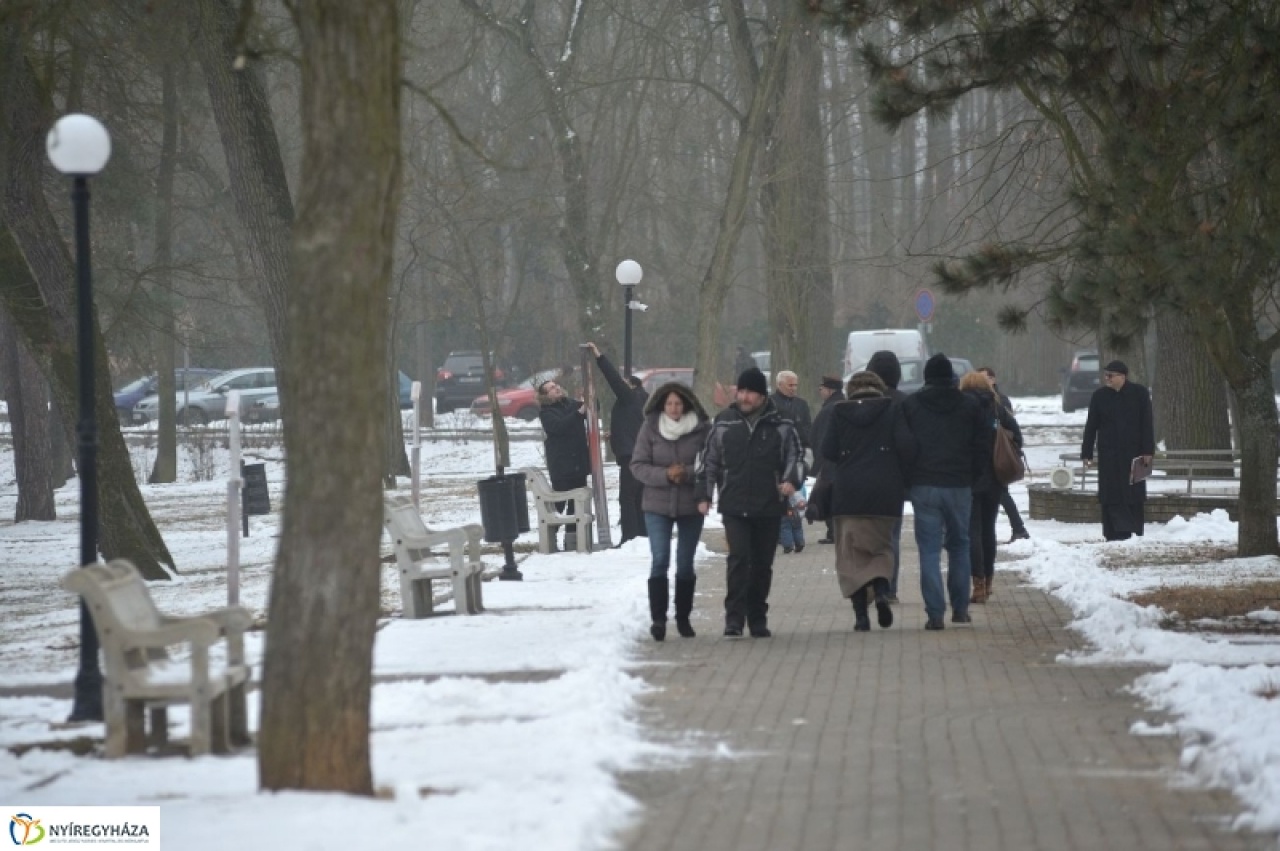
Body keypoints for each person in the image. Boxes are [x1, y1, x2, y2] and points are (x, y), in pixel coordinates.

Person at [696, 366, 805, 638]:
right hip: (734, 503)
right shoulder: (724, 422)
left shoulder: (781, 424)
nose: (744, 397)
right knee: (738, 559)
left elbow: (797, 457)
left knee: (761, 564)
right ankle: (734, 618)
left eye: (750, 393)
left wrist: (792, 480)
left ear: (761, 395)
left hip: (769, 505)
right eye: (741, 391)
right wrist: (704, 494)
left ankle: (757, 616)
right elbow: (708, 461)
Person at [900, 353, 989, 630]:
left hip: (924, 484)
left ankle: (935, 614)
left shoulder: (911, 405)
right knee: (959, 545)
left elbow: (904, 444)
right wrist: (972, 476)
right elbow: (983, 444)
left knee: (928, 550)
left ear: (926, 377)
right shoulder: (969, 405)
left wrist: (910, 477)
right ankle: (960, 609)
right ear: (951, 376)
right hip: (959, 484)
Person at [821, 371, 915, 632]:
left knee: (851, 554)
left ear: (851, 391)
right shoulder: (892, 409)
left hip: (848, 491)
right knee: (882, 547)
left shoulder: (839, 412)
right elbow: (906, 446)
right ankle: (883, 591)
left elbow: (828, 450)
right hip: (885, 491)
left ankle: (861, 615)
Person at [630, 382, 712, 641]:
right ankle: (658, 619)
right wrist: (665, 474)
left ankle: (684, 618)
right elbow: (638, 465)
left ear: (686, 404)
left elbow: (710, 465)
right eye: (669, 404)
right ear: (661, 406)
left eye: (678, 403)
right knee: (660, 559)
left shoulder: (701, 430)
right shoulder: (650, 428)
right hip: (657, 504)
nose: (674, 408)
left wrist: (686, 473)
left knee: (685, 563)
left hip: (691, 504)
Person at [960, 370, 1022, 604]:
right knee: (988, 529)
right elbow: (1017, 436)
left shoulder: (962, 409)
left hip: (969, 477)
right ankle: (988, 581)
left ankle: (977, 583)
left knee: (972, 530)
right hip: (995, 477)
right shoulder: (998, 407)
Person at [1081, 360, 1154, 541]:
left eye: (1110, 376)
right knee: (1110, 493)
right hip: (1109, 454)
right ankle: (1113, 531)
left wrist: (1148, 451)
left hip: (1133, 454)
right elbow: (1091, 425)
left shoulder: (1139, 394)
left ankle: (1133, 529)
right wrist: (1087, 452)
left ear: (1122, 376)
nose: (1107, 379)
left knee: (1132, 493)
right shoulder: (1100, 396)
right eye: (1105, 375)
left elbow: (1147, 423)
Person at [587, 342, 649, 544]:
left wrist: (599, 356)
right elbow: (633, 427)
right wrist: (614, 435)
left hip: (631, 456)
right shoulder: (642, 402)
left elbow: (612, 378)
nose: (621, 384)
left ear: (631, 385)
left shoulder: (629, 397)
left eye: (625, 383)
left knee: (627, 498)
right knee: (639, 498)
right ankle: (641, 534)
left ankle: (629, 537)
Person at [865, 350, 908, 602]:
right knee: (892, 536)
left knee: (868, 534)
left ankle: (871, 582)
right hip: (894, 479)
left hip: (866, 477)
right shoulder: (903, 402)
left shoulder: (862, 400)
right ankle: (890, 587)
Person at [537, 377, 591, 552]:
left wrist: (588, 398)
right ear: (545, 396)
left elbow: (591, 408)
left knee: (577, 504)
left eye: (556, 386)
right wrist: (578, 413)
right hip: (562, 465)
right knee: (560, 503)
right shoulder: (546, 412)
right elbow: (558, 427)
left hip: (578, 462)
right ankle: (550, 536)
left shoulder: (570, 403)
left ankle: (572, 541)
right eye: (552, 388)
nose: (557, 388)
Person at [979, 366, 1030, 543]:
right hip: (991, 454)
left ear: (993, 379)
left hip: (998, 455)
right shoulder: (981, 400)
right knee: (999, 494)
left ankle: (1019, 529)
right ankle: (1017, 529)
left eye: (984, 378)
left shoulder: (1000, 401)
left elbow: (1010, 426)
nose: (980, 381)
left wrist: (1013, 446)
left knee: (1000, 493)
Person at [808, 375, 845, 545]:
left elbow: (821, 438)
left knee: (829, 495)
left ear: (830, 390)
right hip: (842, 462)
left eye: (821, 388)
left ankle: (833, 532)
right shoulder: (843, 405)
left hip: (829, 461)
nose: (820, 391)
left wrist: (818, 463)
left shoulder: (829, 410)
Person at [770, 370, 813, 451]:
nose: (794, 388)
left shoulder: (802, 404)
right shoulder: (769, 403)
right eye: (790, 385)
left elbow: (807, 426)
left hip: (798, 448)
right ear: (779, 385)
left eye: (795, 385)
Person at [779, 484, 807, 554]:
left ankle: (788, 546)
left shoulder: (780, 494)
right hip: (795, 513)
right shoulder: (796, 492)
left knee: (785, 529)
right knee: (797, 528)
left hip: (784, 513)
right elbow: (802, 502)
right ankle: (799, 543)